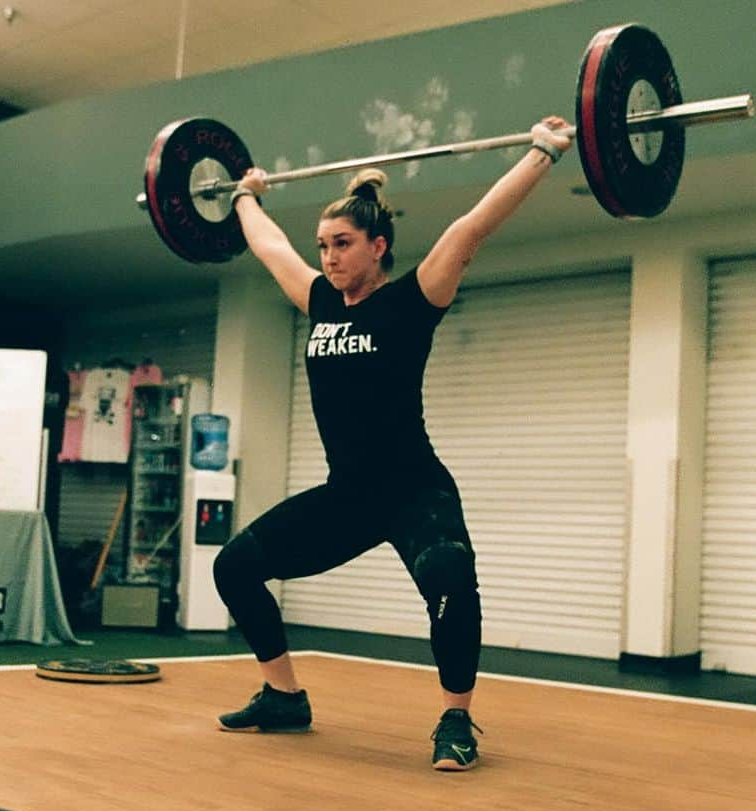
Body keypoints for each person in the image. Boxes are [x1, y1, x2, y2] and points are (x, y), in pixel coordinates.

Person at [212, 116, 575, 770]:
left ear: (378, 246)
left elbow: (469, 231)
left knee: (449, 577)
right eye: (322, 245)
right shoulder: (320, 302)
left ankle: (456, 720)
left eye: (342, 244)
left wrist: (541, 154)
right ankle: (283, 695)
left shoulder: (411, 302)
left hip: (414, 488)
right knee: (233, 567)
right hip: (349, 496)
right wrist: (244, 195)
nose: (328, 257)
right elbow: (268, 248)